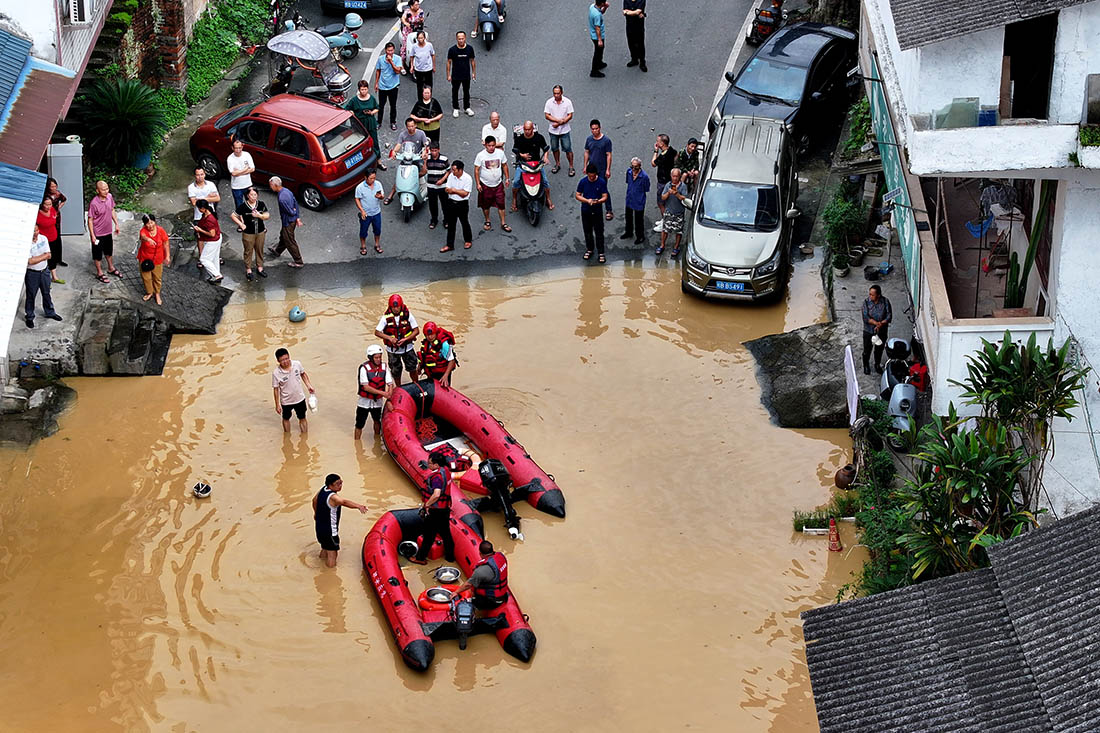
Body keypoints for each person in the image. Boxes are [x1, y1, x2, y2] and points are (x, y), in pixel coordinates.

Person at [409, 450, 456, 565]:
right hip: (445, 509)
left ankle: (420, 558)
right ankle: (450, 557)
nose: (428, 464)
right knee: (446, 533)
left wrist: (427, 504)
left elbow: (436, 494)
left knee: (429, 535)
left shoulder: (436, 477)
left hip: (436, 510)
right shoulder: (446, 471)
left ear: (436, 465)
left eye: (429, 463)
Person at [313, 474, 368, 568]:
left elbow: (314, 500)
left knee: (325, 547)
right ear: (330, 485)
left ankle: (320, 564)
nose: (340, 485)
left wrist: (316, 514)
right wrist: (358, 506)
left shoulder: (323, 489)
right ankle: (329, 574)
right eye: (338, 484)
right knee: (333, 554)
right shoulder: (334, 497)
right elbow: (344, 502)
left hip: (319, 527)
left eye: (341, 482)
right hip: (330, 531)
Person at [375, 293, 421, 385]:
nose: (396, 309)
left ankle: (416, 385)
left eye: (398, 307)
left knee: (412, 368)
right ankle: (399, 388)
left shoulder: (408, 315)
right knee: (396, 372)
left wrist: (406, 339)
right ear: (390, 307)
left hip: (407, 348)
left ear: (401, 306)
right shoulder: (385, 318)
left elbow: (416, 331)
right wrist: (390, 339)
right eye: (393, 307)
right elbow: (377, 332)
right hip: (393, 351)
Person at [384, 119, 430, 206]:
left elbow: (425, 144)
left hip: (417, 158)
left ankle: (422, 186)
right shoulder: (403, 134)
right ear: (406, 126)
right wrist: (394, 151)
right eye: (409, 126)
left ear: (415, 125)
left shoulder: (421, 133)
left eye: (412, 126)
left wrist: (424, 152)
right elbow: (399, 145)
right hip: (406, 159)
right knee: (400, 177)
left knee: (424, 171)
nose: (411, 128)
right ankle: (391, 195)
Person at [24, 223, 62, 329]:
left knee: (46, 293)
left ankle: (50, 312)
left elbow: (49, 255)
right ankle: (30, 316)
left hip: (44, 271)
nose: (35, 233)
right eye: (33, 231)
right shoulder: (26, 243)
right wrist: (43, 256)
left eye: (36, 230)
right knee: (31, 295)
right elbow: (30, 261)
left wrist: (38, 258)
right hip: (32, 273)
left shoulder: (43, 238)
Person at [453, 540, 510, 610]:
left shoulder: (480, 571)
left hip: (491, 601)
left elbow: (468, 585)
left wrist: (455, 592)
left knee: (464, 604)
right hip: (502, 595)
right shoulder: (501, 557)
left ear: (480, 553)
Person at [511, 121, 553, 213]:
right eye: (525, 129)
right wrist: (522, 155)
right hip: (523, 164)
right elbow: (515, 150)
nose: (527, 131)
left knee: (545, 181)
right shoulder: (519, 139)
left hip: (536, 164)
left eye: (528, 129)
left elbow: (546, 149)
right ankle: (514, 199)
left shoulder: (539, 138)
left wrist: (545, 157)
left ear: (532, 129)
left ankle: (548, 198)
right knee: (516, 181)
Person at [345, 80, 386, 171]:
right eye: (362, 89)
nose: (363, 91)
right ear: (359, 90)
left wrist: (371, 112)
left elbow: (377, 108)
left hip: (370, 122)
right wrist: (352, 113)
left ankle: (378, 161)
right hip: (360, 125)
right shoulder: (354, 100)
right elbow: (347, 109)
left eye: (365, 89)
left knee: (374, 142)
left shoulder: (371, 99)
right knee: (361, 144)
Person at [272, 347, 315, 433]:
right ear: (278, 361)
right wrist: (277, 404)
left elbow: (303, 374)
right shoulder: (276, 373)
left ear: (289, 356)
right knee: (286, 418)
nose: (286, 361)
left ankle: (304, 436)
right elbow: (276, 389)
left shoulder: (297, 364)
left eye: (287, 358)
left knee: (302, 417)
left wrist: (309, 385)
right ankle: (287, 435)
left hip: (300, 398)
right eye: (282, 360)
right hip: (286, 401)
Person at [230, 186, 269, 280]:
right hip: (248, 232)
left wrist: (259, 215)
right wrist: (241, 224)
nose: (253, 197)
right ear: (247, 196)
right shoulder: (243, 206)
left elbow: (267, 215)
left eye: (255, 195)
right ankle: (248, 269)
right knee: (248, 251)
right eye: (251, 195)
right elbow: (233, 215)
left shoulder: (261, 204)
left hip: (260, 231)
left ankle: (260, 267)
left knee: (259, 249)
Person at [356, 344, 394, 439]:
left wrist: (389, 396)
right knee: (359, 424)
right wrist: (383, 393)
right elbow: (366, 387)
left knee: (377, 421)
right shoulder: (364, 369)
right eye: (376, 357)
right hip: (364, 402)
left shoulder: (384, 367)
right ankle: (357, 443)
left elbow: (390, 383)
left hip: (377, 402)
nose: (378, 360)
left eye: (380, 357)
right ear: (371, 358)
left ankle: (377, 439)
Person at [87, 180, 121, 284]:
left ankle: (111, 268)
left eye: (107, 188)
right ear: (97, 190)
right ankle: (99, 273)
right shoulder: (94, 203)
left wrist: (116, 223)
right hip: (98, 233)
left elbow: (112, 210)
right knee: (97, 255)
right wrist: (92, 235)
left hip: (108, 231)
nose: (106, 191)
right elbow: (90, 220)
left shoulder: (110, 197)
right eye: (103, 189)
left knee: (108, 251)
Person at [475, 136, 510, 232]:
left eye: (493, 145)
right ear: (485, 145)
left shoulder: (500, 153)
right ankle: (487, 220)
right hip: (485, 185)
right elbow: (477, 170)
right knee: (486, 205)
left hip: (498, 184)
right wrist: (478, 184)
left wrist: (507, 178)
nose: (491, 148)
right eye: (489, 146)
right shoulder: (480, 155)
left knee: (501, 204)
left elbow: (504, 165)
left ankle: (503, 222)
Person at [268, 177, 304, 268]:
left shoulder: (282, 198)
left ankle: (298, 261)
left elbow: (291, 212)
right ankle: (277, 251)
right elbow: (295, 203)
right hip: (291, 221)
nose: (270, 187)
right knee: (283, 236)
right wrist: (297, 217)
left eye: (271, 185)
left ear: (275, 185)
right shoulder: (287, 191)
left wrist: (295, 213)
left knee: (289, 241)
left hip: (288, 221)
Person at [576, 163, 609, 263]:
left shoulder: (601, 182)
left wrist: (598, 201)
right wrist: (587, 200)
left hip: (597, 211)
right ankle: (589, 249)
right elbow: (578, 195)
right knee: (587, 231)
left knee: (599, 232)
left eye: (593, 176)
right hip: (586, 210)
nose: (591, 177)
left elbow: (605, 196)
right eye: (589, 176)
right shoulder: (583, 182)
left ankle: (601, 252)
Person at [438, 160, 473, 252]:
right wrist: (457, 191)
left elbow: (465, 193)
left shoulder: (467, 178)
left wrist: (454, 191)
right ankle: (450, 245)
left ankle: (468, 240)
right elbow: (447, 189)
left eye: (454, 170)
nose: (453, 172)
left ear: (460, 170)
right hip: (451, 203)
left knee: (464, 222)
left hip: (462, 204)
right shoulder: (451, 176)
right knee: (451, 225)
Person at [137, 213, 170, 305]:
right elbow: (142, 236)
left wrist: (167, 256)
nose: (150, 225)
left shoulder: (160, 231)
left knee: (157, 277)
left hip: (158, 258)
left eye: (152, 222)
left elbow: (166, 243)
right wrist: (148, 239)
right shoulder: (143, 231)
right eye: (148, 223)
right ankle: (149, 292)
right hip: (145, 257)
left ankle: (157, 293)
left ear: (155, 222)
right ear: (144, 224)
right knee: (146, 277)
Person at [583, 119, 613, 220]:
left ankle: (609, 209)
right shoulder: (589, 140)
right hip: (592, 169)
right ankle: (593, 207)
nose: (595, 131)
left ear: (600, 128)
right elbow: (587, 152)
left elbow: (608, 155)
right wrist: (585, 166)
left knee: (603, 189)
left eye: (596, 129)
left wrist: (608, 169)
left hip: (602, 169)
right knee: (591, 187)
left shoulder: (606, 141)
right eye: (593, 129)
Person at [544, 85, 575, 176]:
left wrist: (560, 123)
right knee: (555, 148)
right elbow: (547, 115)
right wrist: (559, 121)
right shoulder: (549, 102)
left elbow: (570, 115)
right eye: (555, 93)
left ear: (561, 93)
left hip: (565, 130)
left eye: (558, 93)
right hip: (553, 130)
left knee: (568, 148)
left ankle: (571, 166)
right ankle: (557, 164)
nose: (556, 95)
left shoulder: (567, 102)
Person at [862, 285, 893, 375]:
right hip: (869, 330)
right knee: (867, 349)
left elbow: (889, 315)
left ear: (878, 295)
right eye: (870, 294)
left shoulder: (885, 302)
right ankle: (866, 365)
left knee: (879, 349)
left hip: (881, 331)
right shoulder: (866, 302)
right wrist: (876, 323)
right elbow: (865, 317)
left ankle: (877, 364)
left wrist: (881, 324)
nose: (870, 296)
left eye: (872, 295)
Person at [375, 41, 405, 131]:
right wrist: (376, 83)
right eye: (388, 50)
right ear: (385, 51)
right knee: (381, 106)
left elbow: (397, 71)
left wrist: (391, 62)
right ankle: (379, 122)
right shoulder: (380, 59)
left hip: (393, 86)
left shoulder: (397, 59)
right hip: (383, 86)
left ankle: (393, 122)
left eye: (392, 50)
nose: (390, 52)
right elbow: (378, 71)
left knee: (393, 105)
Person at [658, 168, 688, 257]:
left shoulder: (683, 186)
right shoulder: (668, 185)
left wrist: (676, 194)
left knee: (678, 231)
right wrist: (668, 193)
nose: (675, 178)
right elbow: (663, 197)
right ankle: (662, 245)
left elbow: (684, 198)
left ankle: (676, 246)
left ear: (680, 176)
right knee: (665, 230)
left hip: (679, 212)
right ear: (671, 176)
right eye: (673, 176)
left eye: (677, 176)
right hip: (669, 211)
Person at [354, 170, 385, 255]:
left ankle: (377, 244)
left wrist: (381, 197)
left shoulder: (378, 184)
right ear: (365, 178)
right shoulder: (360, 187)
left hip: (376, 212)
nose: (373, 180)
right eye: (371, 178)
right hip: (366, 214)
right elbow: (357, 199)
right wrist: (362, 211)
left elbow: (382, 196)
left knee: (377, 230)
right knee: (363, 231)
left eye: (374, 178)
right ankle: (363, 246)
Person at [446, 31, 476, 117]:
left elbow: (472, 61)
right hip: (455, 75)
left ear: (465, 38)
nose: (461, 40)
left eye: (462, 39)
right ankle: (456, 108)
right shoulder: (452, 50)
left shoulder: (470, 49)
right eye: (459, 39)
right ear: (456, 39)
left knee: (466, 91)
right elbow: (449, 62)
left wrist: (473, 73)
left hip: (466, 75)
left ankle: (467, 107)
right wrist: (448, 74)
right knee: (455, 91)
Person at [192, 200, 223, 282]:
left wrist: (200, 230)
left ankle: (217, 275)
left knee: (204, 259)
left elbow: (212, 234)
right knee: (214, 259)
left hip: (212, 240)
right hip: (217, 238)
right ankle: (215, 274)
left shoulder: (209, 219)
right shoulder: (206, 214)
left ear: (202, 208)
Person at [418, 321, 456, 386]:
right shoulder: (426, 343)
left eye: (432, 334)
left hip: (442, 372)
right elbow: (423, 356)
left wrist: (446, 376)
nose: (430, 337)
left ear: (435, 333)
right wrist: (419, 368)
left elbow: (451, 361)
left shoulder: (444, 345)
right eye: (427, 335)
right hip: (431, 372)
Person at [622, 157, 650, 244]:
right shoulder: (629, 172)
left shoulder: (644, 177)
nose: (634, 169)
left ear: (640, 166)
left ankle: (640, 236)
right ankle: (628, 232)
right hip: (630, 199)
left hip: (639, 201)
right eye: (632, 167)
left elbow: (646, 188)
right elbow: (628, 182)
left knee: (639, 220)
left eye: (636, 167)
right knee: (628, 217)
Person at [36, 197, 63, 285]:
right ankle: (45, 280)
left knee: (53, 257)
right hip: (44, 239)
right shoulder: (38, 215)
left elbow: (55, 217)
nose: (48, 206)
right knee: (45, 258)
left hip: (54, 236)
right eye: (46, 204)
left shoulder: (52, 210)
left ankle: (54, 277)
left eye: (50, 204)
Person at [424, 142, 450, 230]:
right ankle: (434, 220)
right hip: (431, 186)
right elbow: (424, 170)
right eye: (432, 151)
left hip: (442, 186)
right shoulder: (427, 158)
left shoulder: (444, 159)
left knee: (445, 204)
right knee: (432, 205)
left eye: (435, 151)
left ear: (439, 150)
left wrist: (442, 180)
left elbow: (448, 171)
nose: (434, 153)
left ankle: (446, 220)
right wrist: (424, 161)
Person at [652, 134, 677, 218]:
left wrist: (655, 151)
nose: (656, 143)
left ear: (662, 144)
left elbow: (653, 163)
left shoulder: (662, 156)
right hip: (670, 180)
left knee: (661, 202)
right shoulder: (671, 150)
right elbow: (676, 155)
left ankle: (665, 220)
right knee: (668, 201)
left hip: (662, 181)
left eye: (658, 141)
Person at [45, 177, 68, 268]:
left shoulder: (58, 194)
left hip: (56, 218)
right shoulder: (46, 195)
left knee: (58, 238)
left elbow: (64, 199)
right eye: (52, 187)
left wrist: (59, 207)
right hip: (48, 218)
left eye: (55, 186)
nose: (54, 188)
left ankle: (59, 259)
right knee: (50, 239)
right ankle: (51, 260)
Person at [226, 138, 255, 209]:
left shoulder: (247, 155)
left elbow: (252, 169)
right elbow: (233, 173)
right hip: (237, 187)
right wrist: (245, 169)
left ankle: (250, 218)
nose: (238, 150)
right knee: (239, 206)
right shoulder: (230, 158)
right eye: (236, 148)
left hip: (248, 184)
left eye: (239, 148)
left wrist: (238, 172)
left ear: (242, 147)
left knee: (251, 204)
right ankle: (241, 219)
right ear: (232, 148)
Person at [400, 0, 426, 70]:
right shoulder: (407, 12)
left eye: (418, 4)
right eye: (416, 5)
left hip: (417, 30)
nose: (418, 6)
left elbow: (422, 19)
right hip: (408, 31)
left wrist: (421, 20)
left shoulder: (420, 11)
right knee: (404, 47)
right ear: (411, 6)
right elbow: (403, 19)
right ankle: (402, 65)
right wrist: (406, 23)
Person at [410, 31, 435, 100]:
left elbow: (432, 55)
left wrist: (433, 66)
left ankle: (428, 99)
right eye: (419, 38)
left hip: (428, 69)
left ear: (424, 38)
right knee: (419, 86)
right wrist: (412, 66)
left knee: (429, 85)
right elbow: (411, 56)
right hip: (419, 69)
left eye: (422, 38)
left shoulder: (429, 45)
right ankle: (420, 101)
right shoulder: (414, 47)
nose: (420, 40)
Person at [623, 0, 647, 71]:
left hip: (639, 27)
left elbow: (638, 11)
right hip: (630, 26)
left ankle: (642, 62)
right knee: (631, 43)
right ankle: (634, 59)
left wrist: (629, 12)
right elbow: (624, 12)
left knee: (640, 44)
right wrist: (635, 13)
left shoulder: (641, 1)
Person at [588, 1, 610, 78]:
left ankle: (599, 63)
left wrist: (605, 7)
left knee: (600, 50)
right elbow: (598, 28)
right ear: (602, 3)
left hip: (593, 34)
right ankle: (594, 71)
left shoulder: (592, 7)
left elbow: (601, 12)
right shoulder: (597, 15)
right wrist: (600, 40)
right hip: (597, 36)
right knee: (598, 52)